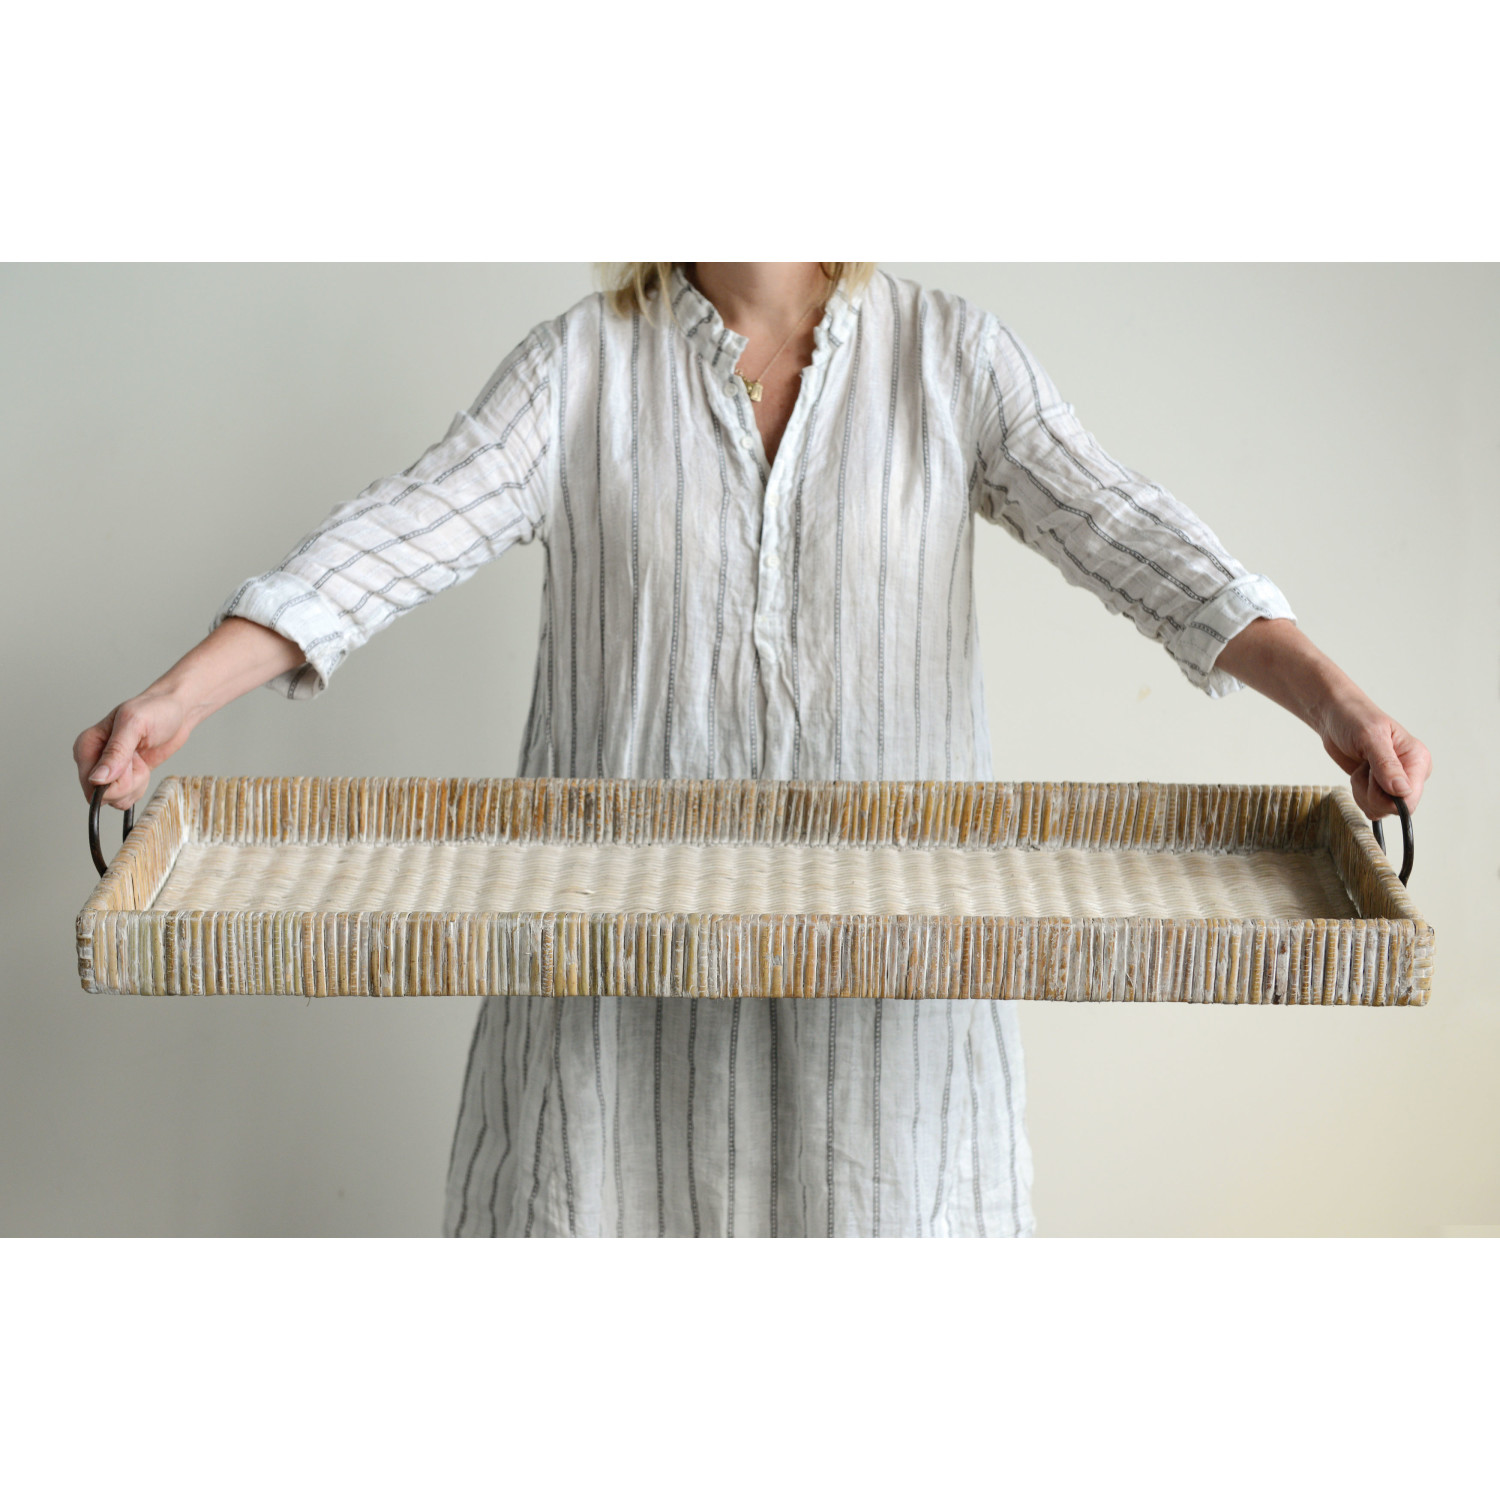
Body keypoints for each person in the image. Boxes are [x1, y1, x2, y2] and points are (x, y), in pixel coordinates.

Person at [73, 262, 1433, 1237]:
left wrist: (1335, 703)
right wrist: (182, 697)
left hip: (891, 1017)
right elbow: (395, 535)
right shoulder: (578, 366)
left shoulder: (950, 357)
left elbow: (1132, 534)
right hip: (610, 1008)